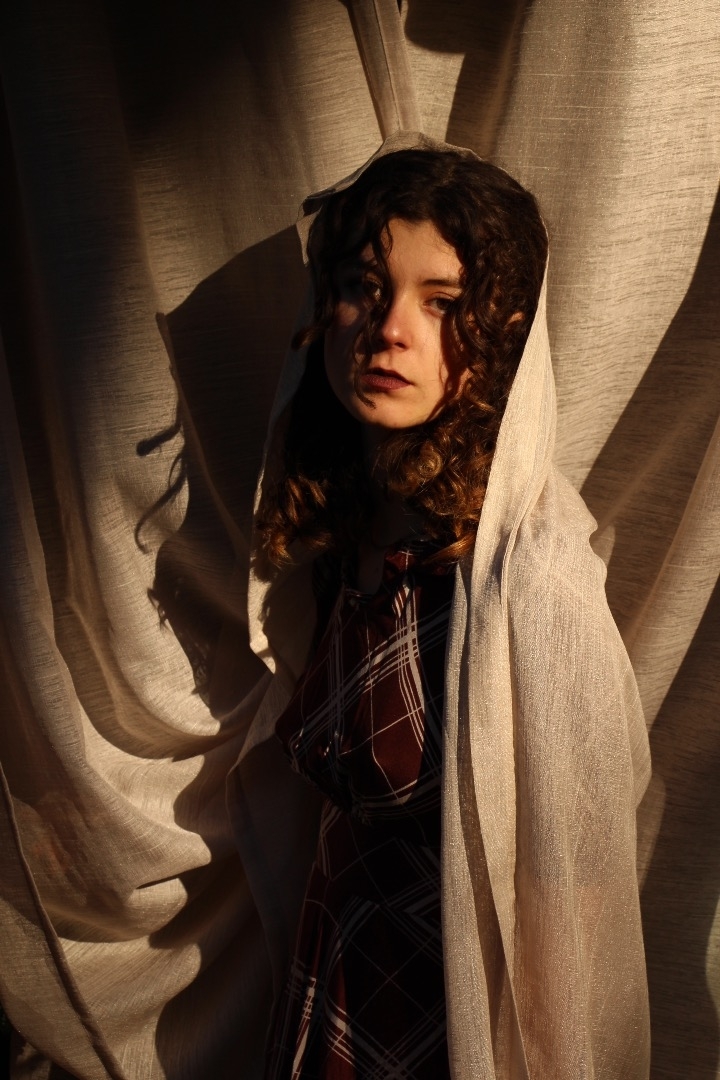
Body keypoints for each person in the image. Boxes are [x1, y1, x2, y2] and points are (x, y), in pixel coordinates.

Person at [240, 132, 651, 1079]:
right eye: (364, 285)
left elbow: (576, 930)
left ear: (502, 336)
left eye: (444, 304)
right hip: (328, 1003)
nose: (390, 329)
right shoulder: (347, 539)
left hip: (447, 1041)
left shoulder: (526, 583)